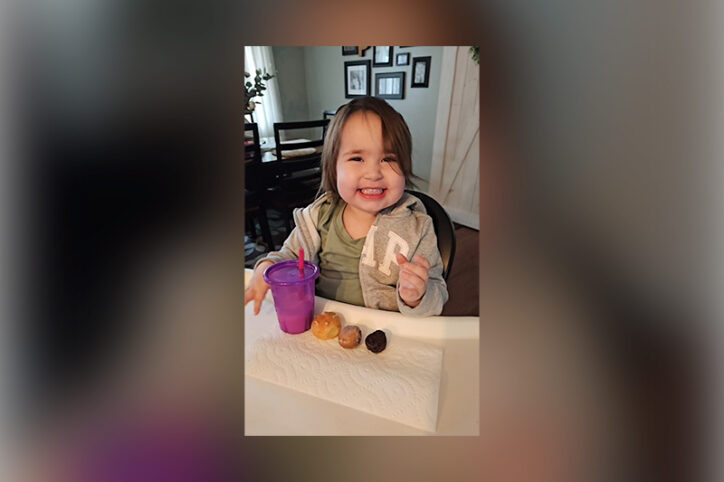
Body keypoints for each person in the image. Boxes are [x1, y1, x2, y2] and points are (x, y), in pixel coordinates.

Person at [244, 96, 448, 317]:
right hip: (323, 329)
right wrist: (265, 268)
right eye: (357, 159)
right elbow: (289, 256)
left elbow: (438, 294)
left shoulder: (417, 227)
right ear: (334, 169)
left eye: (388, 159)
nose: (373, 174)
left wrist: (418, 296)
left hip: (386, 336)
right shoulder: (319, 217)